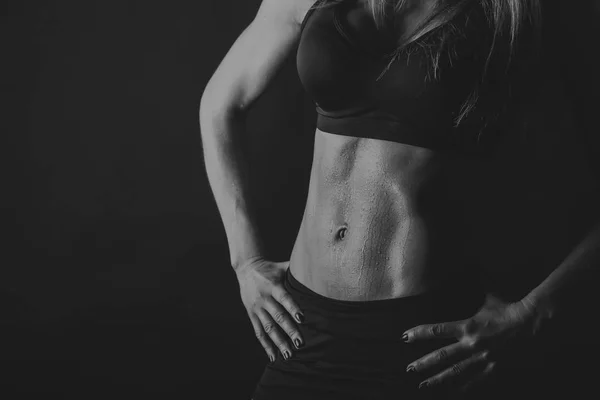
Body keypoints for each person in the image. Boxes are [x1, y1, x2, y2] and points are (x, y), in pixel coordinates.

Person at [199, 0, 598, 399]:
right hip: (305, 327)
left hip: (422, 343)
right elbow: (219, 106)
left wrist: (532, 314)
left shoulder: (509, 14)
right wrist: (245, 261)